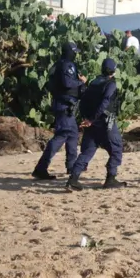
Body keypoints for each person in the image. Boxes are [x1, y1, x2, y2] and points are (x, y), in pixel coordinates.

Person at [66, 58, 126, 190]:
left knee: (87, 151)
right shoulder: (111, 84)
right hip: (105, 122)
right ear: (114, 70)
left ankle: (73, 179)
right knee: (116, 149)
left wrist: (87, 118)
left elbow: (84, 100)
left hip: (91, 123)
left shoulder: (94, 82)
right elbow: (105, 102)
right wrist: (92, 119)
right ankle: (111, 178)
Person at [32, 42, 87, 180]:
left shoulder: (60, 64)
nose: (76, 54)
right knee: (61, 136)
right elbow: (67, 84)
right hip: (64, 106)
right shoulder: (66, 65)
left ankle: (71, 165)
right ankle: (41, 168)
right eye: (74, 52)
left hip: (66, 105)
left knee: (73, 135)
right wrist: (81, 82)